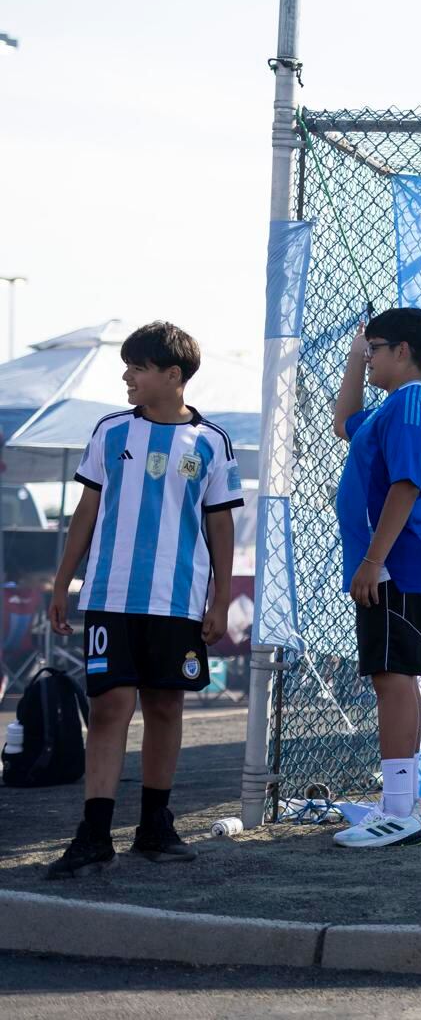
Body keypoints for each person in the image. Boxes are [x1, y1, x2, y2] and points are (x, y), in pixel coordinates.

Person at [43, 322, 242, 879]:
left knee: (164, 705)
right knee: (109, 707)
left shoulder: (211, 441)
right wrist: (65, 581)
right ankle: (94, 833)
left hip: (177, 601)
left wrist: (219, 599)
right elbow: (86, 511)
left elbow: (220, 527)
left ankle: (155, 826)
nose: (126, 376)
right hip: (110, 594)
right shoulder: (110, 432)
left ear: (172, 375)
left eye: (137, 367)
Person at [329, 307, 421, 847]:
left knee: (394, 677)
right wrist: (354, 357)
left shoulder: (413, 400)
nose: (368, 356)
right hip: (387, 564)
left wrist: (374, 561)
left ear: (403, 351)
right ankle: (402, 801)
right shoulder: (388, 407)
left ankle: (399, 809)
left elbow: (405, 486)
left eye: (375, 348)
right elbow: (342, 422)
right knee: (391, 675)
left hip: (397, 563)